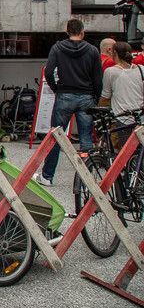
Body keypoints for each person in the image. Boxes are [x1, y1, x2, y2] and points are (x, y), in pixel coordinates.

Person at [37, 18, 103, 186]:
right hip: (86, 96)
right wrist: (95, 97)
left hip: (64, 94)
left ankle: (47, 176)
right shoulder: (92, 50)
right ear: (82, 32)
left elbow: (49, 71)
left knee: (57, 136)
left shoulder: (57, 48)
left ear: (67, 32)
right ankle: (87, 178)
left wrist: (56, 88)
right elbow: (98, 78)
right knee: (85, 138)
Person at [99, 41, 142, 115]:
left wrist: (98, 108)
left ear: (115, 53)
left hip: (122, 116)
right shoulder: (141, 69)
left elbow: (105, 97)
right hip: (140, 115)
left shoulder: (110, 71)